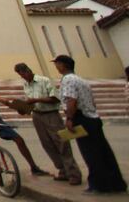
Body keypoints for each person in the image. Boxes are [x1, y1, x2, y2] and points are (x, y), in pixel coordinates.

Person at [54, 54, 127, 193]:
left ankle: (99, 185)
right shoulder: (81, 80)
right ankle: (116, 183)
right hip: (93, 117)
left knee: (91, 154)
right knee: (103, 152)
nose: (56, 66)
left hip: (81, 118)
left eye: (57, 64)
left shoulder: (68, 79)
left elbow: (71, 100)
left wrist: (69, 118)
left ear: (63, 65)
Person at [15, 62, 81, 185]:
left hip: (51, 115)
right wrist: (22, 108)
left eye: (23, 74)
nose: (23, 77)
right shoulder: (26, 84)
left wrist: (36, 99)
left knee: (62, 143)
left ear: (28, 71)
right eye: (20, 75)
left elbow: (55, 98)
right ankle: (62, 170)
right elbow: (31, 103)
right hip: (37, 115)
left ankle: (73, 173)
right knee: (47, 144)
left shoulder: (43, 80)